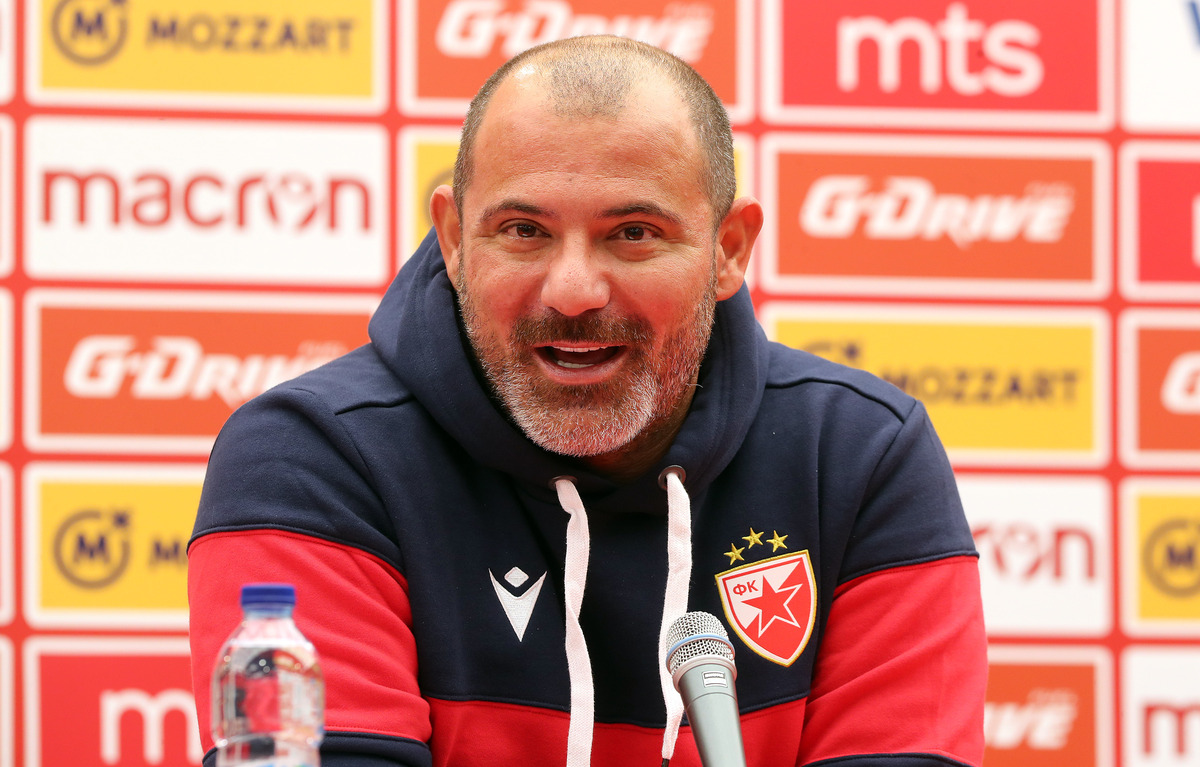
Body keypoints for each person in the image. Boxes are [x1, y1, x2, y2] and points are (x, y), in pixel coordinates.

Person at [188, 35, 986, 767]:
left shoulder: (859, 454)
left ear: (727, 250)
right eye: (524, 230)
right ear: (456, 240)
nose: (572, 291)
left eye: (633, 232)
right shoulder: (308, 460)